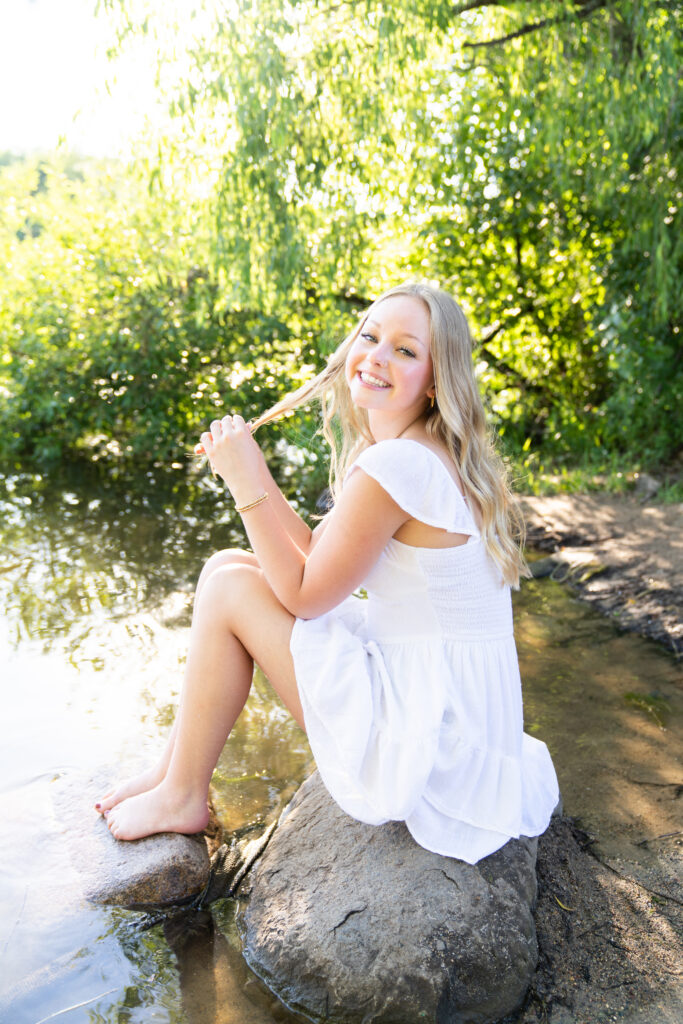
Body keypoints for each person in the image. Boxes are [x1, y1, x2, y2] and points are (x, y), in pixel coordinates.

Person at [96, 282, 559, 863]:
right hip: (458, 711)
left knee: (232, 590)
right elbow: (321, 547)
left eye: (406, 351)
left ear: (437, 381)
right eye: (370, 336)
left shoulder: (400, 464)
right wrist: (256, 473)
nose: (378, 356)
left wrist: (244, 481)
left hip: (433, 746)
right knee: (227, 566)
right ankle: (172, 770)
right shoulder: (424, 449)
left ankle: (184, 794)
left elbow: (305, 594)